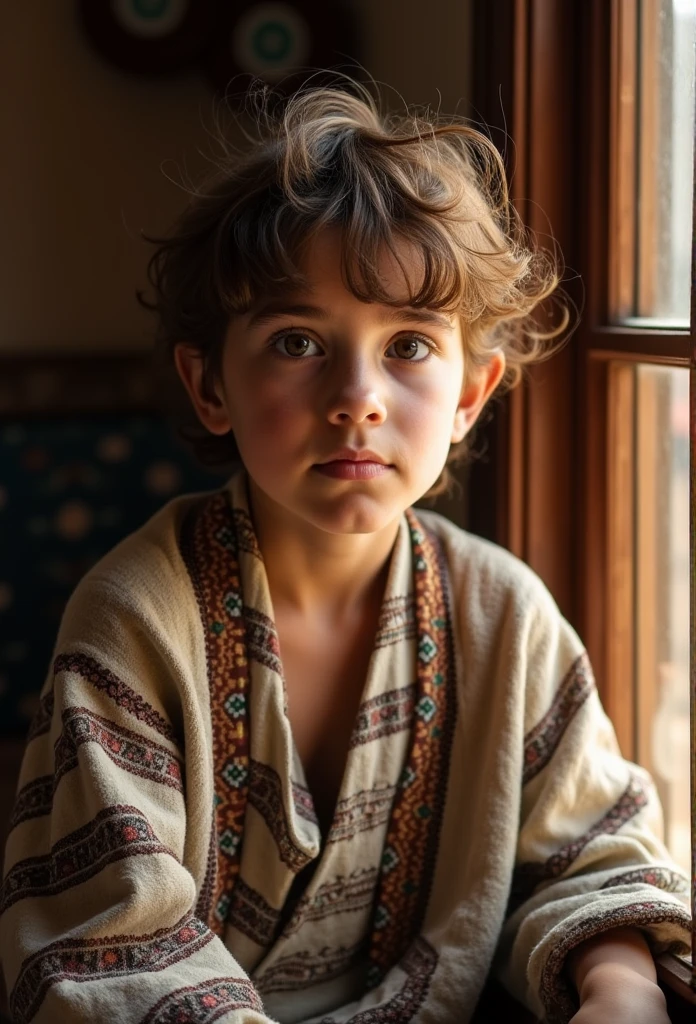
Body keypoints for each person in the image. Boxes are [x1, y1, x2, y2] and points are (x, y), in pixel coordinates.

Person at [0, 81, 690, 1024]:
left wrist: (620, 985)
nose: (357, 396)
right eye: (296, 341)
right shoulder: (135, 616)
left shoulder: (504, 615)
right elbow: (112, 942)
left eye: (408, 345)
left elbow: (590, 855)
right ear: (209, 386)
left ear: (469, 397)